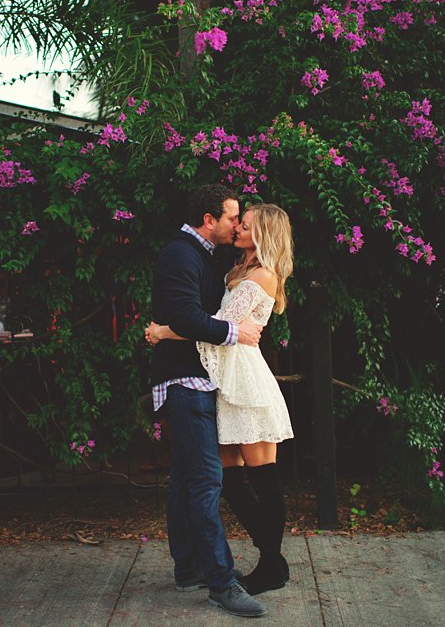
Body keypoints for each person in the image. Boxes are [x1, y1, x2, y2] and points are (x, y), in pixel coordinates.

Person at [147, 203, 295, 597]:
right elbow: (220, 324)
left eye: (245, 226)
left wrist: (164, 330)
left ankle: (271, 565)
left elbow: (218, 328)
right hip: (224, 379)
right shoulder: (237, 270)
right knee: (229, 478)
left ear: (262, 234)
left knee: (264, 476)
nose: (237, 230)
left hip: (246, 381)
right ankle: (273, 560)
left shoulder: (262, 275)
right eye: (238, 222)